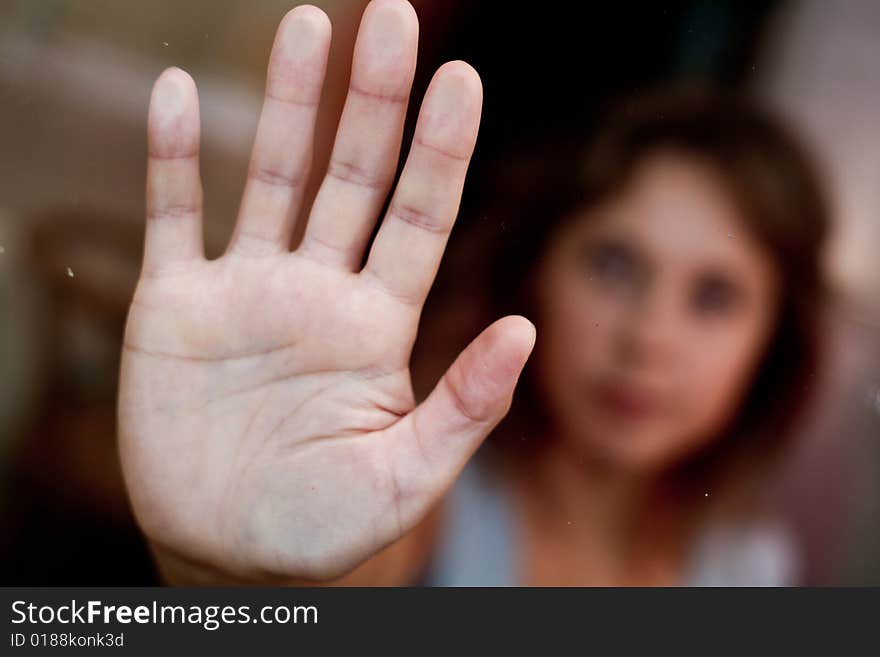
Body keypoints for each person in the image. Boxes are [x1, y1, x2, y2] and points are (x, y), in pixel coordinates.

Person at [117, 0, 828, 586]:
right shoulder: (418, 498)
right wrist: (233, 582)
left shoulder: (751, 568)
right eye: (613, 264)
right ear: (535, 271)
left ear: (775, 339)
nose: (648, 337)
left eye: (714, 297)